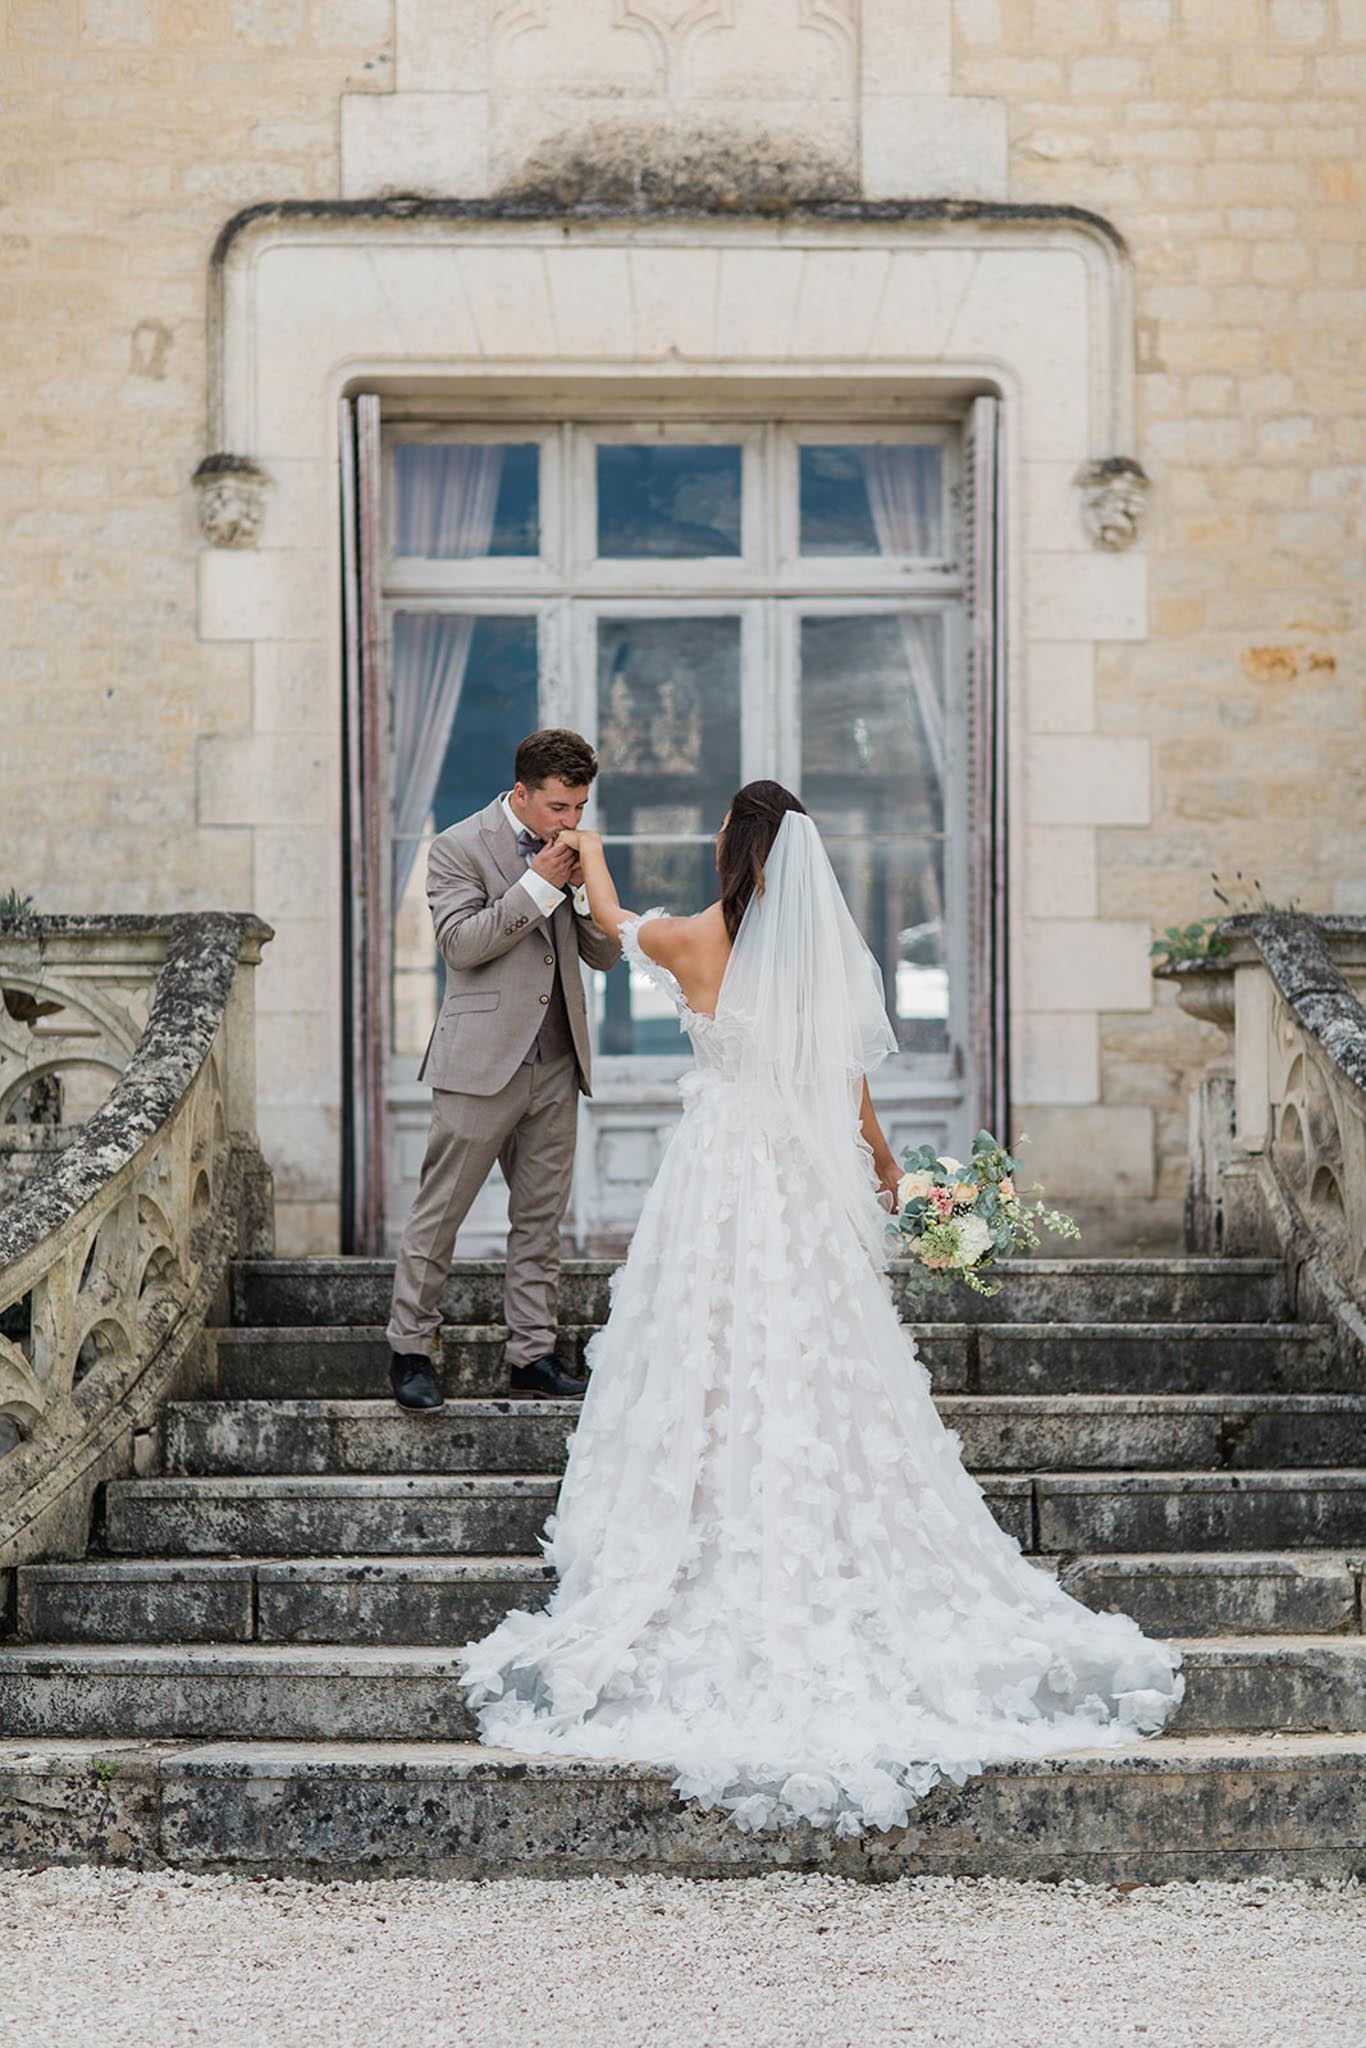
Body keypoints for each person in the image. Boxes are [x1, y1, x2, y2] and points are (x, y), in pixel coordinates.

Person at [458, 779, 1183, 1836]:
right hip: (794, 1183)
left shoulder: (700, 938)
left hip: (715, 1181)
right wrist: (893, 1175)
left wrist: (590, 846)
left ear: (734, 853)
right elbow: (848, 1089)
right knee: (818, 1352)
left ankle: (700, 1518)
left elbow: (609, 921)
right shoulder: (817, 963)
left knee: (705, 1348)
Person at [385, 730, 622, 1412]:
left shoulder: (576, 850)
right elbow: (460, 946)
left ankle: (532, 1356)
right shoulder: (459, 846)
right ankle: (409, 1350)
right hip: (479, 1065)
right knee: (440, 1214)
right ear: (522, 793)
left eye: (579, 807)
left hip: (556, 1063)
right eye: (558, 807)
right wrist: (538, 886)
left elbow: (603, 957)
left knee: (540, 1221)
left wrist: (579, 894)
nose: (571, 821)